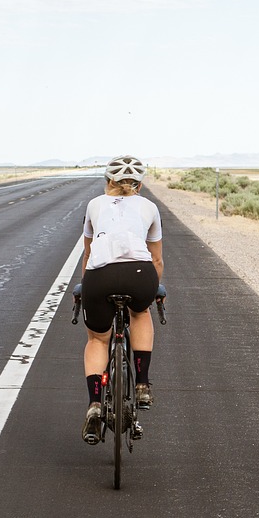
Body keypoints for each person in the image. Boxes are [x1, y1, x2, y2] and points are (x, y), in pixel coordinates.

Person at [79, 155, 164, 445]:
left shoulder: (94, 204)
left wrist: (84, 286)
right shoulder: (150, 207)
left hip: (99, 275)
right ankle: (141, 385)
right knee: (140, 314)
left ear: (107, 182)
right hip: (140, 272)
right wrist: (154, 289)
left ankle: (94, 404)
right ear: (139, 185)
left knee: (98, 340)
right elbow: (157, 259)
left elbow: (88, 254)